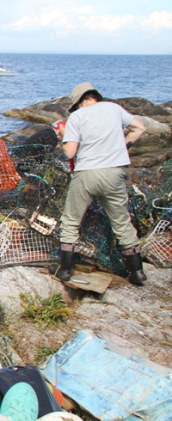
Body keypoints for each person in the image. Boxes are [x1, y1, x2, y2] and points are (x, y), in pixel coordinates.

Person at [55, 82, 148, 285]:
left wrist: (62, 137)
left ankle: (65, 271)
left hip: (86, 173)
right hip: (114, 173)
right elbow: (140, 128)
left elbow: (70, 152)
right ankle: (137, 272)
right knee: (122, 222)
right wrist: (123, 145)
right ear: (95, 96)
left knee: (71, 220)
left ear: (79, 102)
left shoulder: (77, 117)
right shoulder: (114, 108)